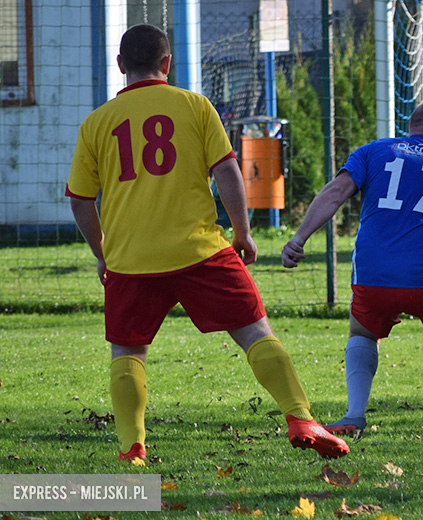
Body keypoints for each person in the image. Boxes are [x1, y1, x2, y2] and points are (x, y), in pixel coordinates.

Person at [66, 24, 348, 462]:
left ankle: (131, 446)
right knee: (255, 330)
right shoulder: (194, 105)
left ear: (120, 67)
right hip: (199, 250)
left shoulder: (96, 123)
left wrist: (103, 255)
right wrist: (242, 233)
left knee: (127, 350)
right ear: (167, 64)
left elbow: (81, 202)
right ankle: (300, 416)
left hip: (131, 259)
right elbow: (228, 172)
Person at [281, 99, 423, 435]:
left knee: (362, 330)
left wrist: (299, 238)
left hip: (373, 274)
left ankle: (354, 415)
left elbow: (336, 192)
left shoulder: (373, 151)